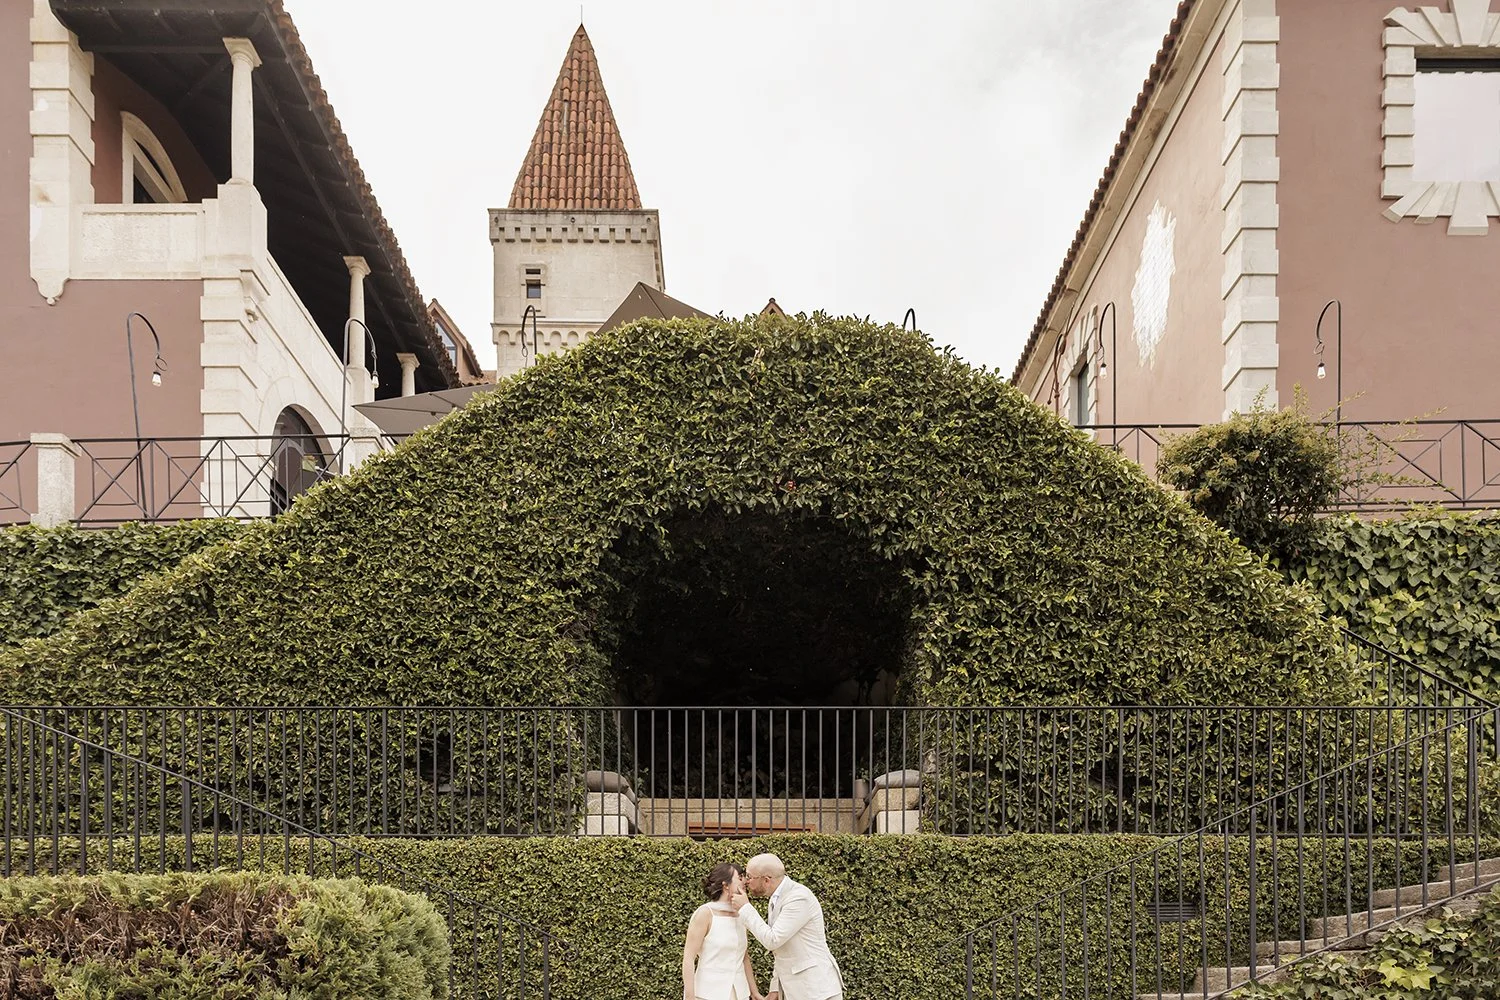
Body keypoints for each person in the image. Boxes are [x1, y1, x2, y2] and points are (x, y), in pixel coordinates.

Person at [730, 853, 843, 1000]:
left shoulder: (798, 897)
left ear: (766, 880)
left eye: (750, 877)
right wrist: (775, 987)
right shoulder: (777, 897)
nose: (746, 882)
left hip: (816, 989)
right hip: (799, 990)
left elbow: (773, 940)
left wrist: (745, 908)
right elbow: (782, 949)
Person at [683, 862, 766, 1000]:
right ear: (725, 885)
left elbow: (744, 958)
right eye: (739, 877)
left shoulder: (742, 913)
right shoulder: (705, 913)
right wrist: (690, 997)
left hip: (740, 994)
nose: (745, 881)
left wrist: (755, 992)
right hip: (708, 994)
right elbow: (689, 958)